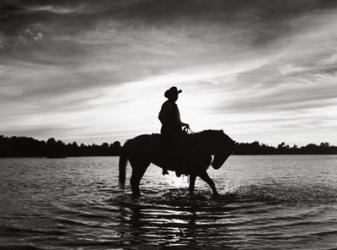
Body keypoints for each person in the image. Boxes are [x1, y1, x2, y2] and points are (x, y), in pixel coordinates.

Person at [158, 86, 189, 175]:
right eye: (175, 95)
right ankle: (167, 167)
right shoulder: (166, 105)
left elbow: (177, 120)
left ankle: (182, 165)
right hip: (168, 130)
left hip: (176, 130)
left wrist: (184, 124)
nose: (176, 97)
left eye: (177, 95)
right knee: (171, 145)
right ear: (170, 96)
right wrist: (168, 126)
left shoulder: (175, 106)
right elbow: (160, 117)